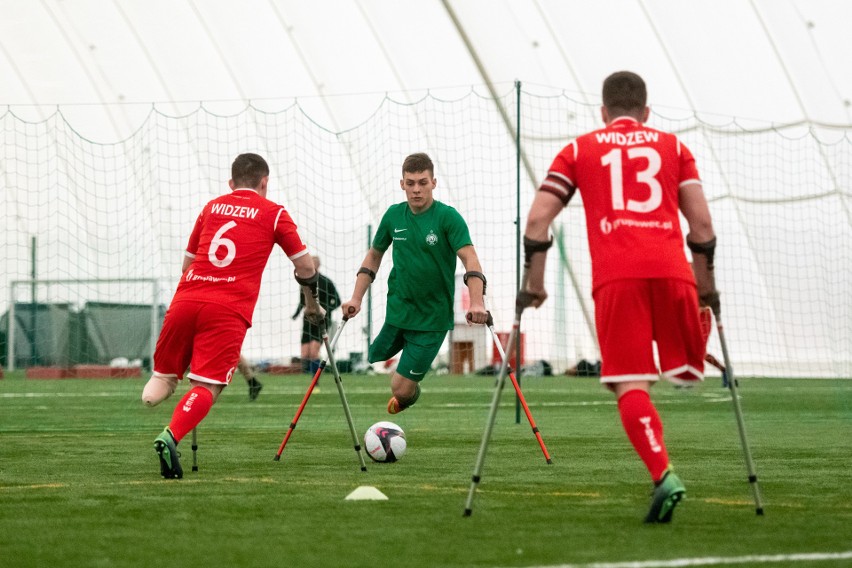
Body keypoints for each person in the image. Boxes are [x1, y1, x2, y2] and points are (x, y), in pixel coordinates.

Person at [518, 71, 718, 523]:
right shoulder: (675, 148)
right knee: (683, 373)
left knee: (630, 383)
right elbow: (702, 227)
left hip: (618, 279)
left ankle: (663, 473)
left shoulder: (577, 149)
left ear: (603, 112)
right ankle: (691, 347)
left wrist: (536, 282)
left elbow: (536, 222)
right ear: (646, 112)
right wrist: (705, 287)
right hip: (674, 273)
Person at [141, 153, 325, 479]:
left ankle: (157, 387)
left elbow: (187, 265)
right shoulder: (274, 213)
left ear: (232, 183)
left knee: (167, 376)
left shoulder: (211, 207)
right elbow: (306, 266)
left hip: (185, 301)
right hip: (226, 309)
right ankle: (170, 435)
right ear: (264, 183)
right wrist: (311, 300)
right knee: (207, 386)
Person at [342, 152, 489, 414]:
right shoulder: (393, 216)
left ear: (434, 182)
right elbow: (374, 255)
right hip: (398, 312)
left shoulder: (447, 217)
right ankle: (407, 378)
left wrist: (477, 302)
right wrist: (356, 298)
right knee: (375, 359)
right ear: (402, 184)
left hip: (432, 319)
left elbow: (470, 258)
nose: (416, 189)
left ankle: (411, 392)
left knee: (400, 389)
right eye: (410, 183)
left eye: (422, 182)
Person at [291, 256, 341, 374]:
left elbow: (337, 301)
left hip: (321, 320)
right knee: (305, 353)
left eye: (313, 263)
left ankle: (315, 381)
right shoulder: (304, 283)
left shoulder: (326, 282)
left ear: (318, 265)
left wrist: (326, 310)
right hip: (307, 320)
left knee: (314, 352)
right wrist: (296, 314)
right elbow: (302, 302)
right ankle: (310, 378)